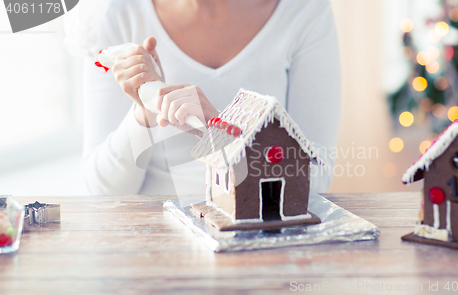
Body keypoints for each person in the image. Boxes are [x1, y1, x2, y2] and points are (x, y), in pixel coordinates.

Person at [82, 0, 340, 196]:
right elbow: (101, 191)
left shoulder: (305, 11)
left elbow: (315, 177)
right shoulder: (121, 13)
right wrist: (145, 109)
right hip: (151, 246)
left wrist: (220, 135)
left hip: (261, 242)